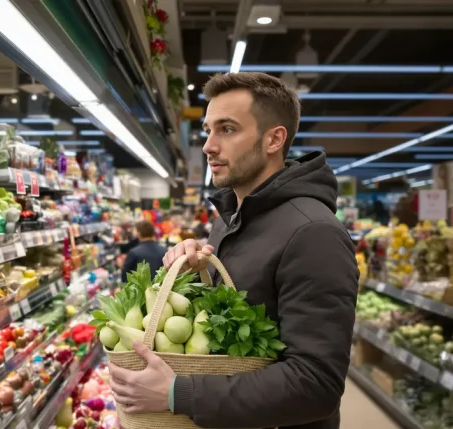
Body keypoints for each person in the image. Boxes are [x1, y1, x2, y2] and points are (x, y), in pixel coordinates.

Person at [107, 72, 358, 429]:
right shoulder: (229, 220)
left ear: (274, 139)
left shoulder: (314, 234)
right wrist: (197, 273)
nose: (209, 145)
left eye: (227, 129)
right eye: (208, 130)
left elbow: (316, 383)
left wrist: (179, 393)